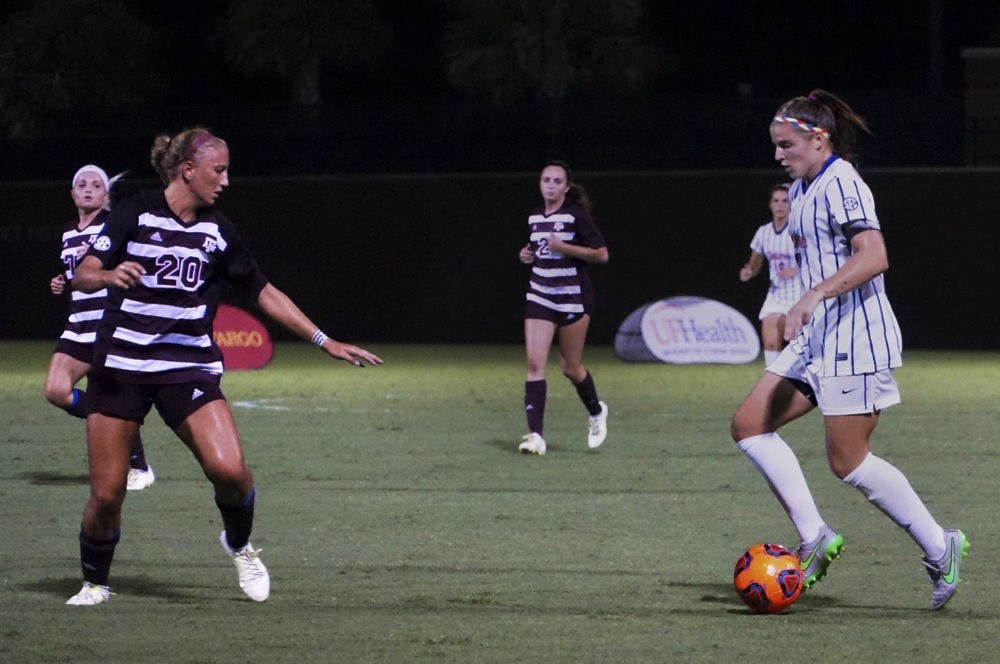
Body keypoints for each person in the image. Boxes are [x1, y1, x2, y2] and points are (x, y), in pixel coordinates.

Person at [65, 128, 382, 606]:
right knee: (107, 496)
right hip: (121, 364)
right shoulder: (133, 211)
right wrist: (109, 274)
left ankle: (238, 544)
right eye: (220, 169)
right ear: (187, 170)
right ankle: (95, 582)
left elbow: (263, 291)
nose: (226, 180)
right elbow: (84, 273)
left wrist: (324, 340)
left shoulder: (219, 230)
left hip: (186, 367)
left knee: (230, 471)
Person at [730, 90, 967, 610]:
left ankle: (939, 545)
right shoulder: (802, 187)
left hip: (854, 337)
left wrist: (814, 293)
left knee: (848, 461)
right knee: (749, 424)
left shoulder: (842, 183)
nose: (778, 154)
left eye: (786, 144)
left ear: (820, 138)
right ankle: (814, 536)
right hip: (818, 336)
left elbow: (875, 254)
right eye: (775, 145)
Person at [44, 165, 155, 491]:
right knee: (56, 390)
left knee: (112, 404)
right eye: (82, 184)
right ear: (73, 193)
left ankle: (140, 468)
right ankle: (103, 414)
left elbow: (129, 262)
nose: (88, 189)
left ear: (106, 195)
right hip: (78, 326)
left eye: (96, 185)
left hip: (109, 328)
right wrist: (62, 280)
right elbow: (76, 273)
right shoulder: (67, 231)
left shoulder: (113, 226)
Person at [517, 160, 609, 456]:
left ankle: (596, 412)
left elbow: (602, 254)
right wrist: (527, 254)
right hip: (540, 295)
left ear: (566, 188)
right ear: (540, 184)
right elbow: (537, 250)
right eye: (546, 180)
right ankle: (536, 436)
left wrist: (565, 248)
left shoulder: (576, 216)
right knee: (534, 365)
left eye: (558, 181)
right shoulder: (533, 216)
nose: (551, 185)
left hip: (573, 298)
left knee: (570, 367)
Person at [738, 183, 801, 366]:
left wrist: (795, 269)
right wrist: (749, 270)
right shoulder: (763, 232)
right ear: (770, 205)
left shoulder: (799, 230)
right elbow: (756, 262)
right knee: (771, 342)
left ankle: (804, 387)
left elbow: (815, 259)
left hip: (801, 293)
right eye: (776, 201)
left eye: (785, 201)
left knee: (801, 347)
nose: (780, 205)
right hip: (777, 295)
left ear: (791, 204)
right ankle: (773, 388)